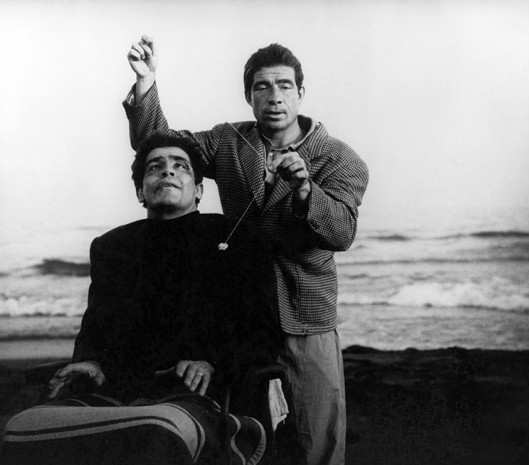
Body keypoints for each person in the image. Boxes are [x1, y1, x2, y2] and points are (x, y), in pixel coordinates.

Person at [123, 37, 369, 465]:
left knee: (317, 444)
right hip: (238, 319)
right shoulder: (228, 140)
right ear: (248, 96)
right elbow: (157, 145)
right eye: (262, 87)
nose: (274, 97)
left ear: (300, 92)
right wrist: (146, 83)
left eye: (284, 86)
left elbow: (342, 232)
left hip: (303, 317)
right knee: (243, 437)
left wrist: (306, 189)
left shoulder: (340, 158)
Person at [2, 132, 282, 465]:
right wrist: (89, 360)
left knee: (158, 429)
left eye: (181, 166)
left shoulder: (238, 238)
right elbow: (96, 327)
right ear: (140, 192)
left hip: (203, 394)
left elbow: (264, 335)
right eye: (155, 167)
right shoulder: (112, 247)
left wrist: (214, 364)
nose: (168, 171)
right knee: (22, 426)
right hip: (120, 391)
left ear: (199, 190)